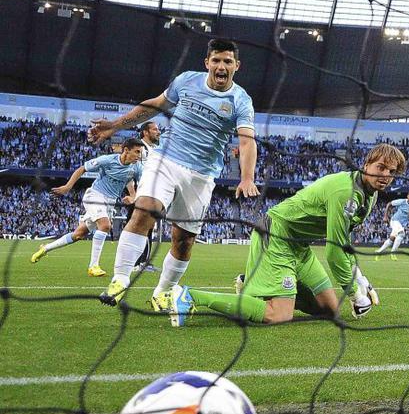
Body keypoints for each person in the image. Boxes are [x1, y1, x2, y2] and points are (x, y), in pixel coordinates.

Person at [87, 39, 259, 311]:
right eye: (216, 60)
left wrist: (247, 177)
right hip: (165, 159)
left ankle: (163, 292)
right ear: (207, 63)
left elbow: (247, 141)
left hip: (201, 175)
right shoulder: (187, 80)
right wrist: (115, 126)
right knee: (146, 209)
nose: (221, 66)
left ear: (236, 66)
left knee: (183, 240)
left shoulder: (240, 100)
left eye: (227, 61)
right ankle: (120, 279)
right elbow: (154, 106)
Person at [168, 144, 406, 326]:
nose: (385, 175)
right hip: (277, 234)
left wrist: (361, 279)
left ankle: (255, 285)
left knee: (329, 309)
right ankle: (189, 296)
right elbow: (334, 252)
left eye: (392, 172)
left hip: (299, 246)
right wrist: (355, 294)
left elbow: (344, 241)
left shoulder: (369, 194)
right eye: (380, 168)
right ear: (366, 164)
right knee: (279, 315)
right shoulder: (345, 192)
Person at [31, 140, 144, 275]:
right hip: (95, 195)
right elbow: (82, 168)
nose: (139, 156)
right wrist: (67, 187)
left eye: (140, 153)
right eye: (137, 152)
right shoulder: (107, 160)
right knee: (105, 225)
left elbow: (134, 181)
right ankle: (93, 266)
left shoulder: (136, 167)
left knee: (79, 234)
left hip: (110, 202)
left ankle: (45, 248)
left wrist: (133, 197)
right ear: (126, 150)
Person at [131, 121, 162, 273]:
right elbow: (131, 169)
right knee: (138, 227)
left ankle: (144, 262)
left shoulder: (154, 149)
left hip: (151, 192)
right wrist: (132, 193)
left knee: (148, 227)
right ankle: (136, 263)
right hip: (140, 192)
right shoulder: (139, 148)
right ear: (145, 132)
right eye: (155, 129)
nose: (158, 132)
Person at [374, 191, 409, 260]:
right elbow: (389, 204)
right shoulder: (402, 201)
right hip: (395, 220)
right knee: (402, 234)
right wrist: (385, 216)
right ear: (407, 196)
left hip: (402, 224)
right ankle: (393, 253)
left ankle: (379, 252)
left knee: (392, 238)